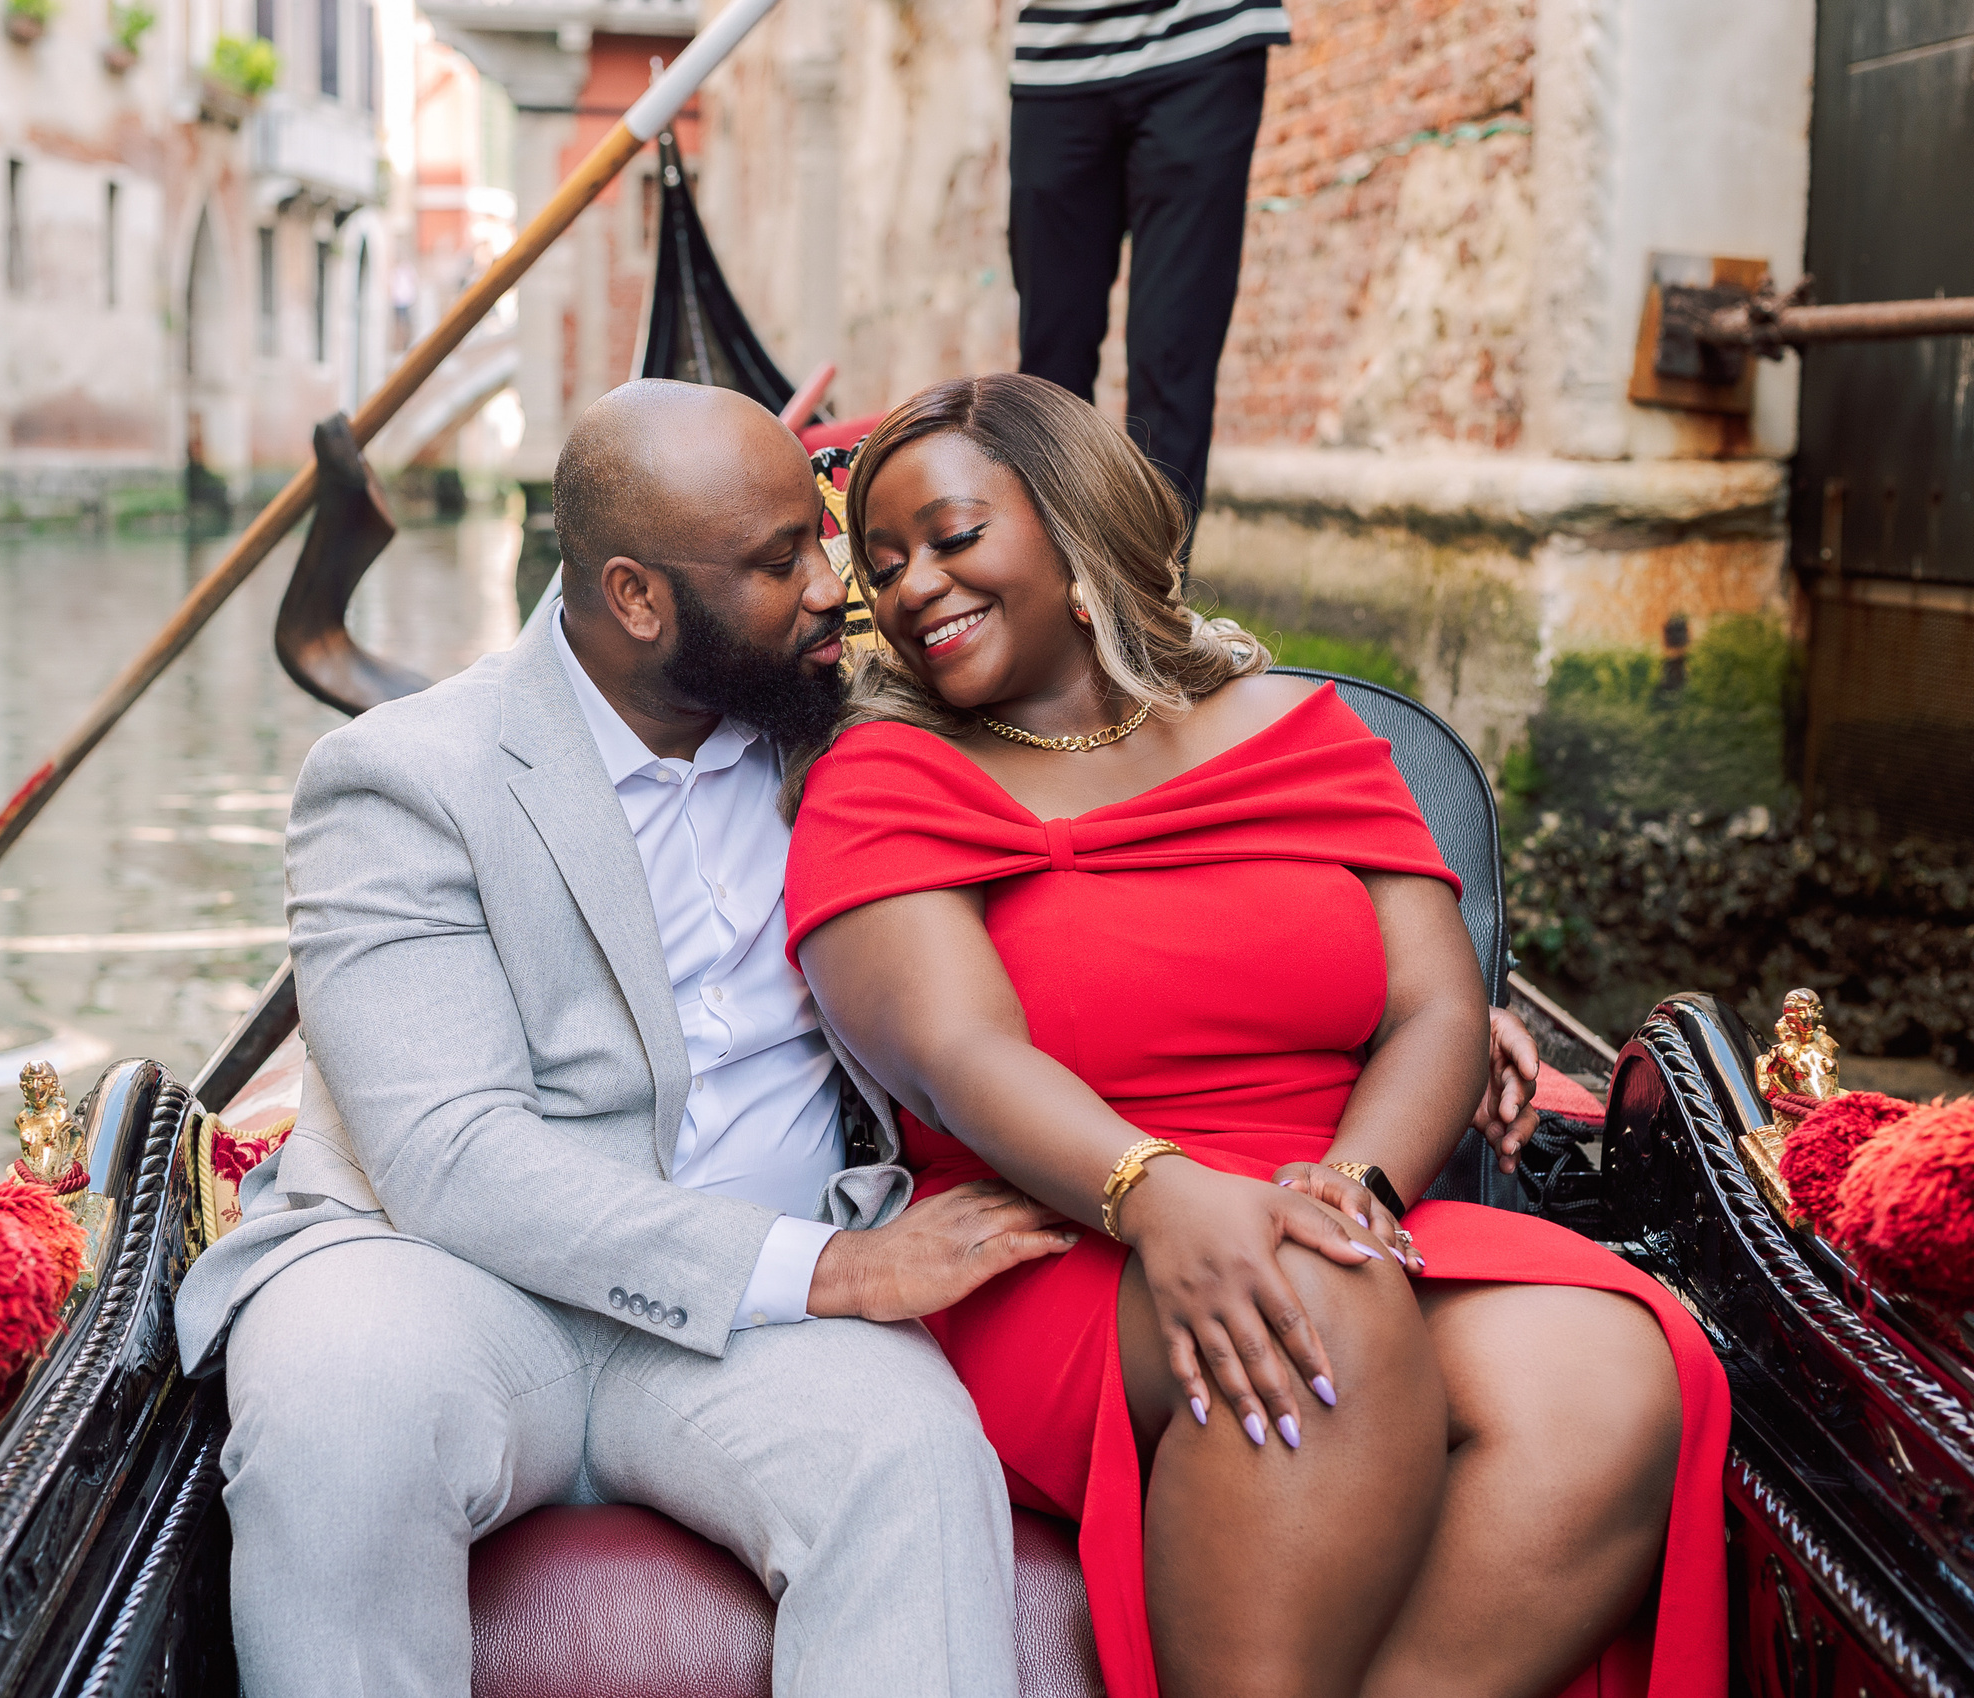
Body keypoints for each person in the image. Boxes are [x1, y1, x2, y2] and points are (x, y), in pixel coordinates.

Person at [781, 373, 1727, 1698]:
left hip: (1338, 1195)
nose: (912, 586)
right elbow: (956, 1053)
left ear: (1072, 524)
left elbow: (1435, 1008)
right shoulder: (886, 775)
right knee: (1311, 1295)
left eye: (953, 536)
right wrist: (1158, 1192)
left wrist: (1353, 1181)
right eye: (881, 565)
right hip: (1063, 1233)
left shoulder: (1300, 735)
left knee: (1608, 1367)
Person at [173, 379, 1083, 1698]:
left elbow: (1107, 699)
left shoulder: (846, 721)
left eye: (823, 541)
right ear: (636, 598)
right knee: (339, 1411)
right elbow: (449, 1158)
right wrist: (835, 1268)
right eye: (779, 561)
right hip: (452, 1282)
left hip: (764, 1318)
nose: (832, 590)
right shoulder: (403, 776)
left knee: (912, 1455)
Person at [1009, 1, 1286, 520]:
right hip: (1058, 58)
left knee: (1173, 353)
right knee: (1051, 362)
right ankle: (1055, 561)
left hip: (1205, 41)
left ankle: (1156, 570)